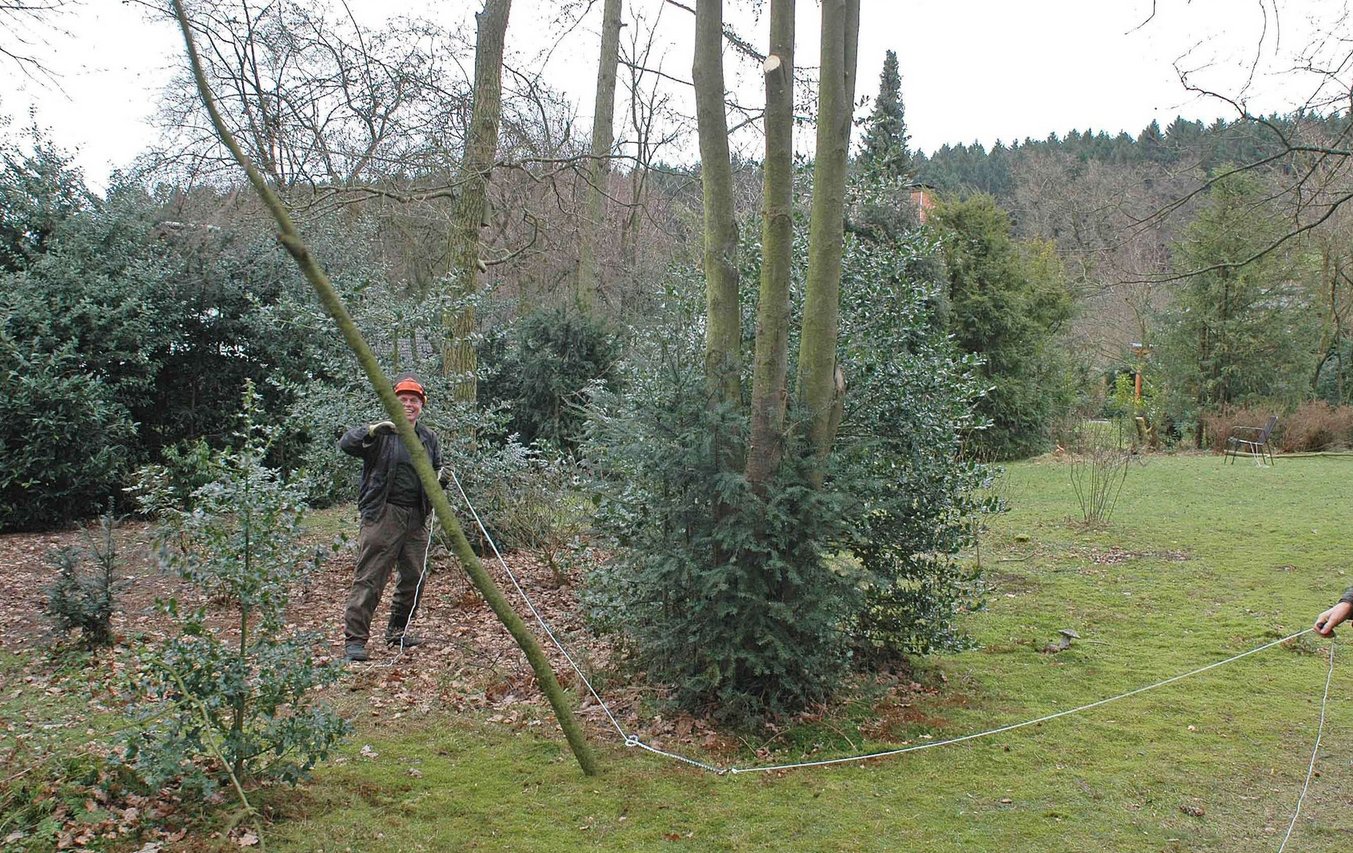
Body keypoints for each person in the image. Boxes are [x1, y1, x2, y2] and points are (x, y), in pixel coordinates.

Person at [338, 375, 443, 662]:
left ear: (421, 406)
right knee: (371, 576)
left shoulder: (428, 438)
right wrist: (371, 431)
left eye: (414, 401)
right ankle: (355, 641)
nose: (409, 405)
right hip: (383, 513)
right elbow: (347, 444)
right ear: (394, 403)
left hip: (416, 517)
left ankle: (397, 631)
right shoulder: (381, 433)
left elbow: (436, 470)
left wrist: (442, 480)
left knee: (414, 576)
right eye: (404, 400)